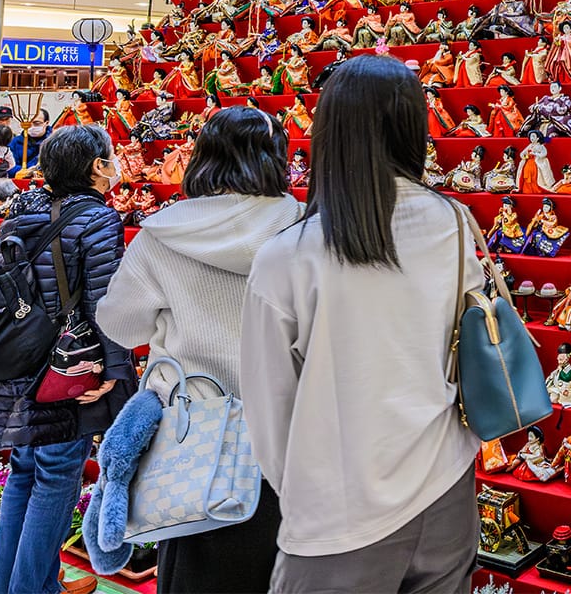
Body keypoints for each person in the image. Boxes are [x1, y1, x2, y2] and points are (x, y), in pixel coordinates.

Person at [240, 56, 480, 593]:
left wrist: (305, 490)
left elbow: (268, 407)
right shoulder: (453, 224)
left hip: (338, 507)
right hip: (446, 487)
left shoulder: (288, 256)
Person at [98, 106, 302, 592]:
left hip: (192, 432)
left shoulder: (164, 233)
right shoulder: (302, 227)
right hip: (286, 429)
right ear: (276, 157)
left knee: (194, 563)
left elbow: (121, 325)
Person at [0, 124, 134, 594]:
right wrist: (117, 372)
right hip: (63, 365)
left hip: (18, 357)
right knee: (57, 472)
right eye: (110, 158)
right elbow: (103, 305)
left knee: (24, 469)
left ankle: (15, 585)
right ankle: (33, 588)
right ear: (97, 167)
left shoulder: (22, 211)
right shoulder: (98, 220)